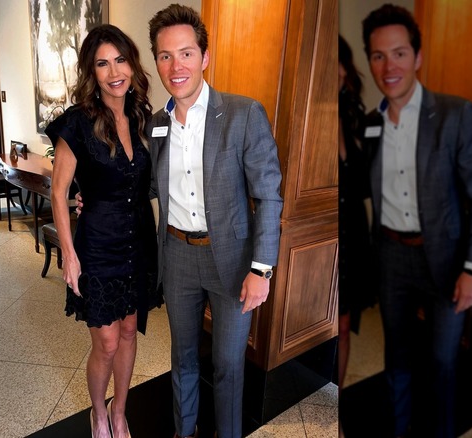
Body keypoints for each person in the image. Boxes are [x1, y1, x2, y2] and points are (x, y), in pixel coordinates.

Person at [147, 5, 283, 438]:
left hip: (234, 260)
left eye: (186, 53)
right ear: (157, 62)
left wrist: (262, 269)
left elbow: (268, 195)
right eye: (165, 56)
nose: (176, 66)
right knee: (182, 356)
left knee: (227, 365)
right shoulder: (156, 124)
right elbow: (148, 185)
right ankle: (183, 432)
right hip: (177, 258)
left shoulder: (243, 114)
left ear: (205, 57)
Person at [360, 4, 472, 437]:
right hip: (391, 258)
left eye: (399, 53)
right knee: (396, 359)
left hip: (447, 259)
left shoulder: (455, 115)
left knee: (442, 363)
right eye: (378, 56)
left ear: (417, 57)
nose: (389, 66)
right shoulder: (370, 125)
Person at [46, 24, 162, 438]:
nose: (114, 71)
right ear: (91, 73)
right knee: (107, 343)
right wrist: (70, 256)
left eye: (120, 60)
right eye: (102, 63)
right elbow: (59, 193)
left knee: (130, 332)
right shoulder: (76, 124)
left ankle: (119, 410)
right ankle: (98, 412)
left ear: (132, 65)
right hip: (97, 246)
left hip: (138, 244)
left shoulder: (142, 117)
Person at [337, 35, 374, 398]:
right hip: (329, 238)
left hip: (355, 238)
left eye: (340, 62)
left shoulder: (356, 120)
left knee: (346, 325)